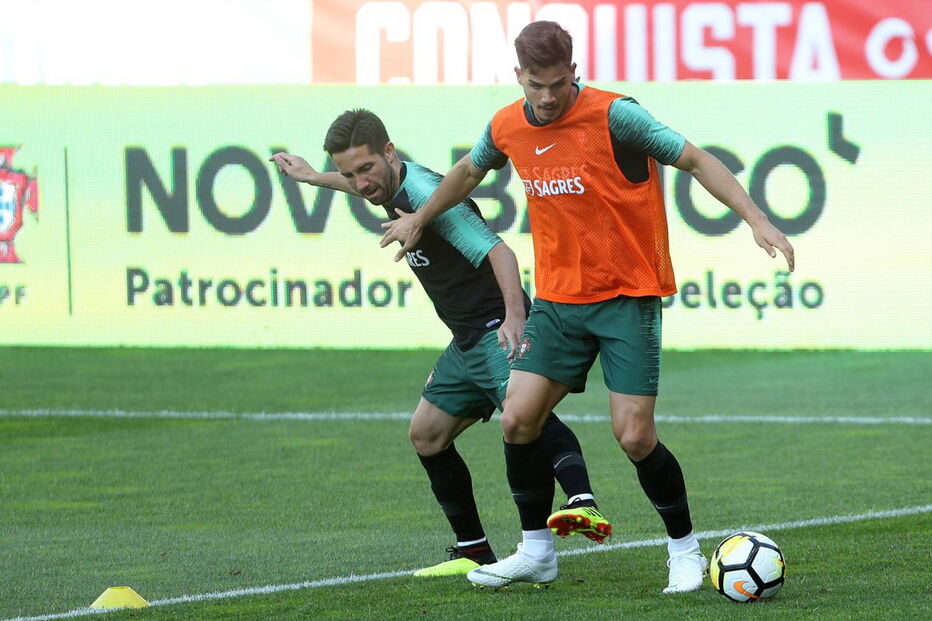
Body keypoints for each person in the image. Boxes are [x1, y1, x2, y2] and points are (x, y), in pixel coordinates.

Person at [380, 21, 796, 593]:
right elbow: (469, 172)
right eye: (536, 85)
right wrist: (420, 218)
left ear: (573, 72)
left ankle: (684, 550)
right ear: (518, 76)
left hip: (627, 297)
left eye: (557, 83)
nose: (548, 96)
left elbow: (696, 160)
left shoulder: (616, 116)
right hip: (558, 302)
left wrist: (757, 219)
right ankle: (536, 553)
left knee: (634, 436)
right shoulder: (506, 125)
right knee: (518, 418)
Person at [270, 109, 612, 578]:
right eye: (350, 174)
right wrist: (315, 178)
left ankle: (582, 501)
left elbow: (500, 252)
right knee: (427, 433)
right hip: (465, 340)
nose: (361, 183)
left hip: (495, 328)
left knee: (524, 417)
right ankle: (474, 549)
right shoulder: (386, 184)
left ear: (390, 152)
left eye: (366, 168)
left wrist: (515, 318)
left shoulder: (427, 196)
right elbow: (365, 185)